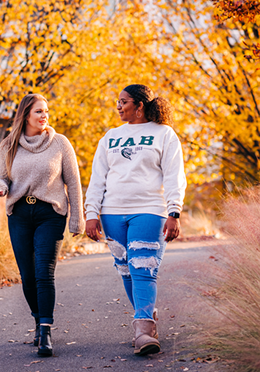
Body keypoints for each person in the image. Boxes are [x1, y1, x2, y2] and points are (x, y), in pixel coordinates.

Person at [84, 84, 186, 356]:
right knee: (126, 270)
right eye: (118, 102)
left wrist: (174, 211)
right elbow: (98, 179)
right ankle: (147, 315)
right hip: (112, 212)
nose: (119, 106)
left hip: (149, 209)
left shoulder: (164, 134)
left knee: (143, 267)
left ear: (139, 106)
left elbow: (174, 175)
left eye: (124, 102)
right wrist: (91, 213)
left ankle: (142, 331)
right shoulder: (110, 137)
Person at [0, 93, 85, 357]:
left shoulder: (60, 144)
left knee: (44, 271)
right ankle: (36, 317)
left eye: (46, 111)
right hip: (19, 213)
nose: (45, 116)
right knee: (28, 275)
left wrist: (77, 218)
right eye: (39, 112)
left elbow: (73, 183)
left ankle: (45, 330)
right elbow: (1, 176)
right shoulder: (8, 145)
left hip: (50, 213)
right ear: (25, 116)